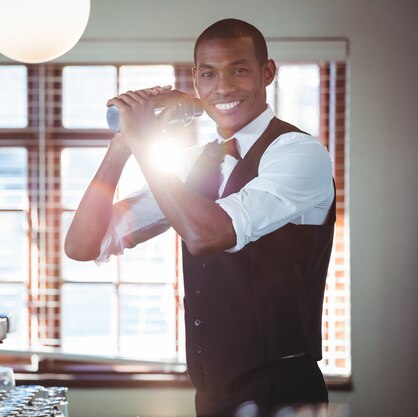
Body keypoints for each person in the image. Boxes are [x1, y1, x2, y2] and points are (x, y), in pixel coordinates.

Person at [64, 18, 335, 417]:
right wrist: (122, 147)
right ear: (196, 79)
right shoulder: (196, 164)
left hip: (283, 392)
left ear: (268, 73)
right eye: (209, 74)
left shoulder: (298, 153)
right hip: (212, 394)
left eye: (238, 70)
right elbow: (82, 245)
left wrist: (144, 146)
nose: (222, 87)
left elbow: (208, 234)